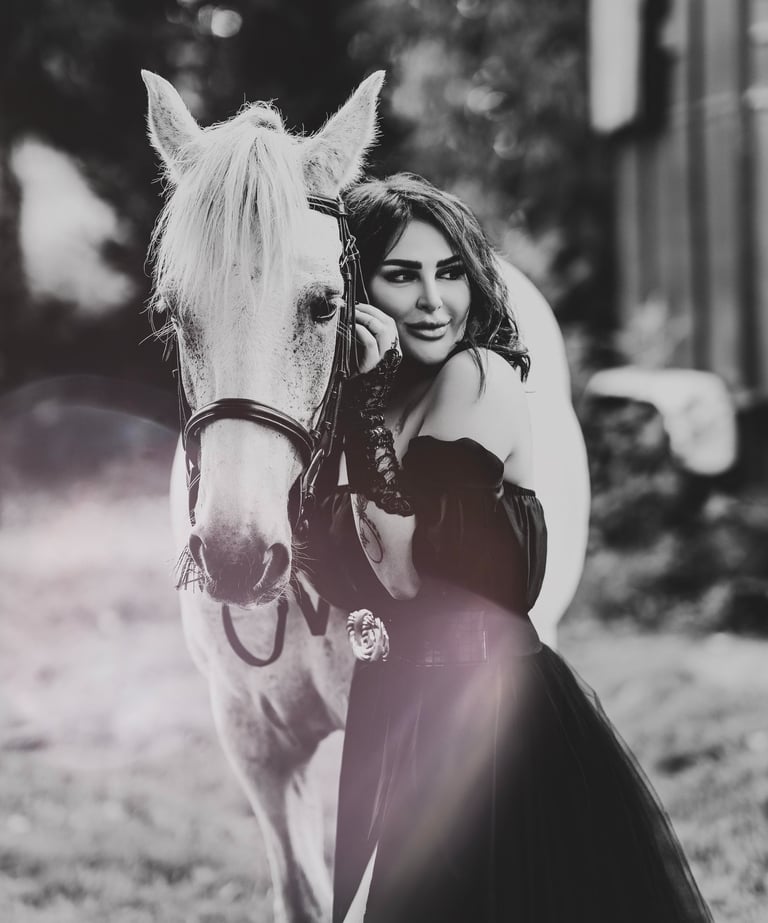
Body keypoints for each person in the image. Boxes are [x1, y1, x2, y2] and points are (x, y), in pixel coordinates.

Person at [307, 173, 713, 923]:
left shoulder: (478, 376)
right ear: (357, 287)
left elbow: (399, 575)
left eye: (450, 272)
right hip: (407, 702)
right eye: (402, 275)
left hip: (493, 721)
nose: (434, 301)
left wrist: (360, 414)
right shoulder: (373, 395)